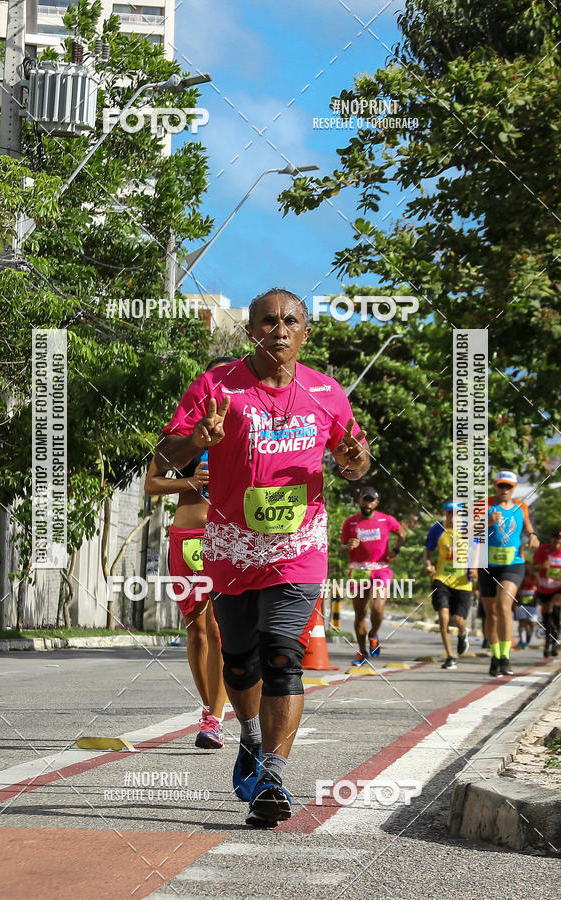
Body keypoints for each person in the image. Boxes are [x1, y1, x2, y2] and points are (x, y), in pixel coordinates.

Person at [155, 287, 369, 827]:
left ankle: (272, 776)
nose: (279, 329)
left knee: (281, 654)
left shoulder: (326, 391)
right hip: (230, 545)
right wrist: (196, 439)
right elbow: (166, 454)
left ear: (305, 332)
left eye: (290, 321)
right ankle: (249, 737)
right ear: (250, 331)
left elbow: (356, 460)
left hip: (298, 546)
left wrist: (352, 460)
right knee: (240, 660)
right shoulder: (216, 384)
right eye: (268, 321)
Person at [144, 358, 234, 749]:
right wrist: (189, 479)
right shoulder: (186, 432)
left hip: (230, 538)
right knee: (196, 629)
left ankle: (216, 717)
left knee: (220, 630)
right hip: (188, 535)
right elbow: (151, 483)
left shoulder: (250, 427)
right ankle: (209, 709)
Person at [479, 471, 539, 677]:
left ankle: (505, 656)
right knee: (491, 614)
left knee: (503, 605)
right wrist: (486, 522)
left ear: (514, 488)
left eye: (508, 487)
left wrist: (532, 536)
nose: (504, 490)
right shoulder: (485, 504)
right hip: (486, 564)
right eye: (500, 486)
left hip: (513, 564)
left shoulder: (521, 506)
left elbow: (528, 527)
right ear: (495, 486)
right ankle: (495, 657)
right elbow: (467, 531)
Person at [340, 487, 405, 665]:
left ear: (376, 502)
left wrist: (395, 550)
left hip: (380, 568)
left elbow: (402, 534)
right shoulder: (350, 522)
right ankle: (362, 652)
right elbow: (342, 547)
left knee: (377, 609)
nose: (367, 503)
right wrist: (348, 546)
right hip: (359, 570)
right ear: (359, 500)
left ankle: (374, 633)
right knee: (360, 613)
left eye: (371, 500)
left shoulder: (386, 519)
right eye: (364, 499)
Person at [424, 501, 476, 670]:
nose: (452, 516)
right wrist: (428, 565)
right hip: (442, 579)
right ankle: (450, 656)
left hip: (463, 582)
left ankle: (462, 633)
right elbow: (428, 552)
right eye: (449, 513)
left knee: (458, 620)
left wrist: (474, 569)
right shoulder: (437, 529)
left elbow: (477, 551)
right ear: (444, 513)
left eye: (456, 513)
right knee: (444, 617)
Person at [533, 528, 561, 657]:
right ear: (551, 539)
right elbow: (533, 568)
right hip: (545, 587)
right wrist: (542, 566)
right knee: (546, 614)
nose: (557, 542)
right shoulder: (543, 549)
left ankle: (555, 640)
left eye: (559, 540)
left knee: (554, 607)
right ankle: (550, 640)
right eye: (555, 539)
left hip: (558, 587)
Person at [515, 563, 537, 649]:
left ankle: (528, 637)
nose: (527, 567)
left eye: (528, 566)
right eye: (525, 566)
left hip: (532, 604)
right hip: (521, 603)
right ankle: (523, 641)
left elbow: (539, 587)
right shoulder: (520, 576)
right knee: (522, 622)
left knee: (532, 623)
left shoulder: (534, 577)